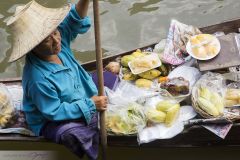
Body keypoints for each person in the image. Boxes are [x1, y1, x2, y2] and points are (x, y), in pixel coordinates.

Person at [7, 0, 107, 159]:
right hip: (49, 118)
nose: (56, 40)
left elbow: (74, 19)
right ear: (32, 46)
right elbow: (54, 111)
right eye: (47, 40)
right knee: (71, 133)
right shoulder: (37, 78)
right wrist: (90, 104)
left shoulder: (58, 43)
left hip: (78, 99)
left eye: (55, 32)